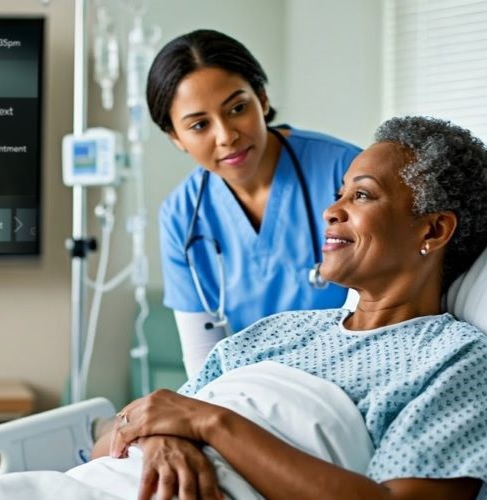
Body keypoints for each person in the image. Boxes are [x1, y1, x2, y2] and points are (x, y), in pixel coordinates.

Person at [104, 116, 487, 500]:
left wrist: (210, 423)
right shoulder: (276, 332)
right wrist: (157, 438)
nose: (331, 211)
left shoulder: (455, 359)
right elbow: (132, 430)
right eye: (339, 194)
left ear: (433, 231)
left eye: (363, 195)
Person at [150, 29, 362, 377]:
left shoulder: (345, 172)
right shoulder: (181, 216)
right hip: (258, 391)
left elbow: (397, 297)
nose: (226, 136)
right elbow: (203, 358)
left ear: (262, 99)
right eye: (200, 125)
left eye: (237, 108)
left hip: (354, 374)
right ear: (176, 137)